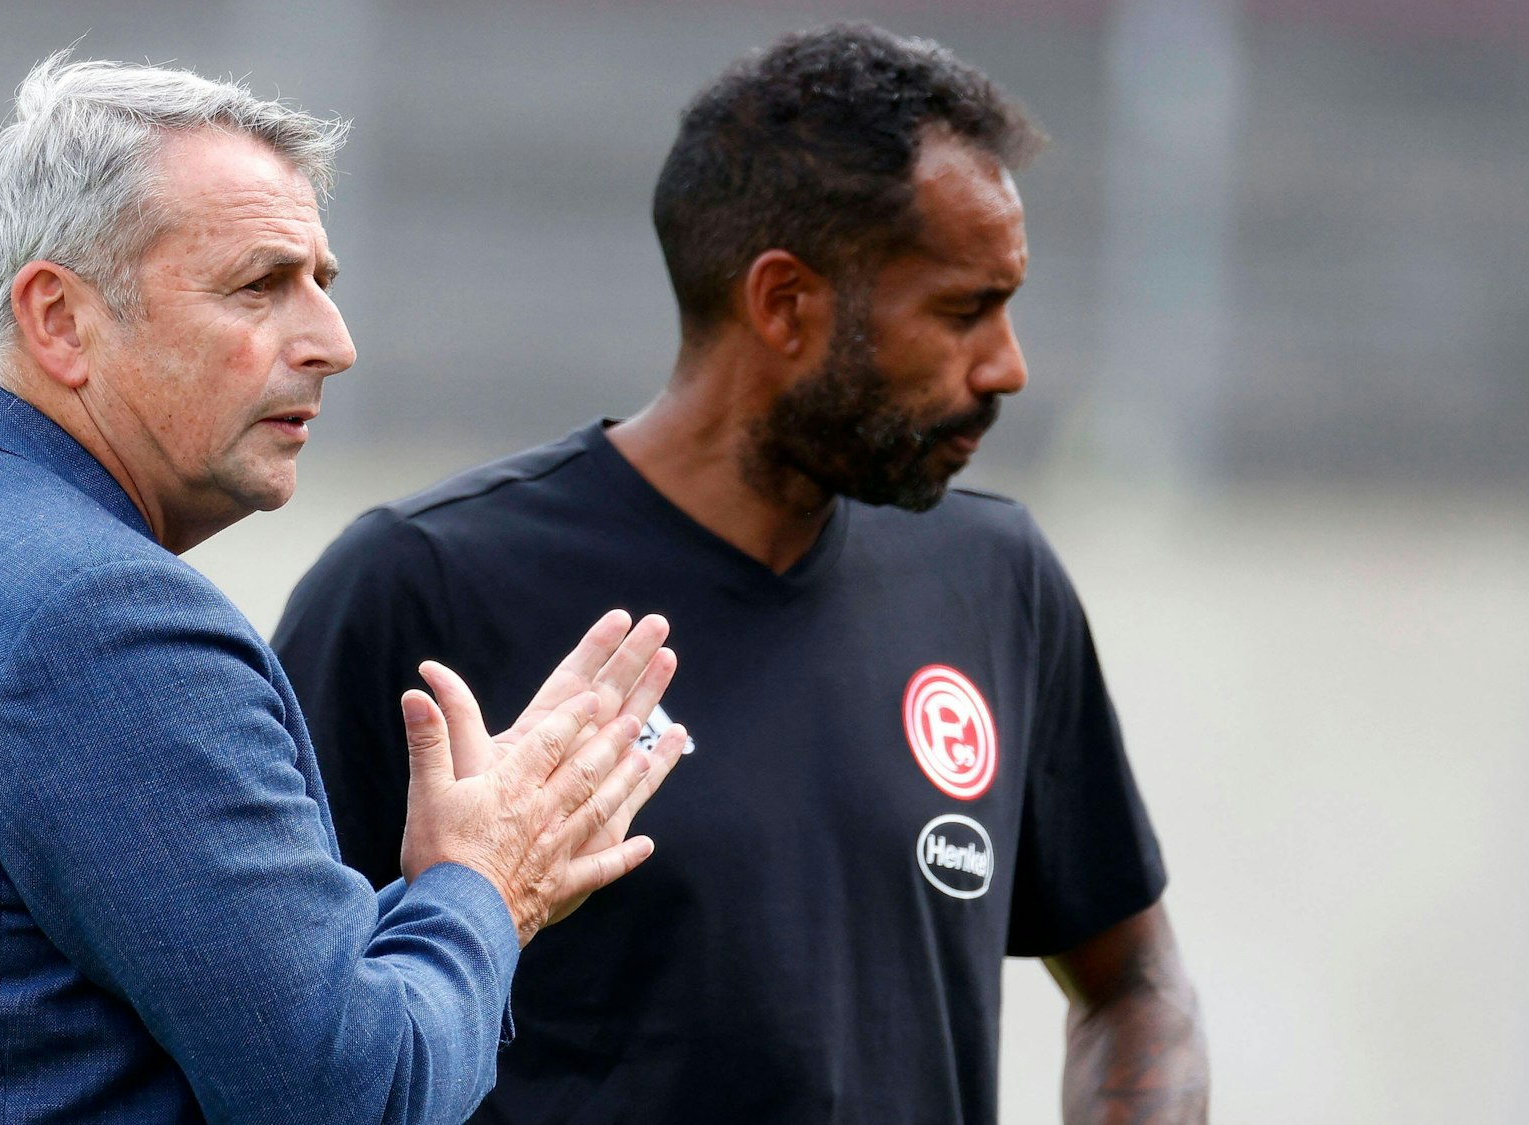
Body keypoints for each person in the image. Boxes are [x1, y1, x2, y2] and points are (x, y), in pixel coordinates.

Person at [0, 54, 690, 1124]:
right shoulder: (99, 626)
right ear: (59, 321)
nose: (333, 344)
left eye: (323, 283)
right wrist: (486, 887)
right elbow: (357, 1097)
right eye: (259, 286)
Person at [275, 24, 1209, 1125]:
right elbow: (271, 1032)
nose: (1005, 365)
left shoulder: (996, 579)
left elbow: (1135, 983)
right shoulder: (420, 588)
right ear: (783, 304)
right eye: (961, 311)